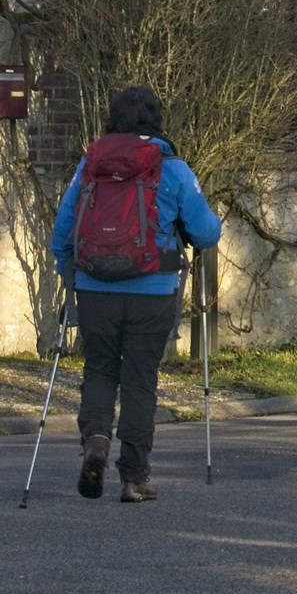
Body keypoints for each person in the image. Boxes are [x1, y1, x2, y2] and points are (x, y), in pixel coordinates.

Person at [50, 86, 219, 504]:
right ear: (155, 121)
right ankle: (133, 478)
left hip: (94, 289)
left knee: (100, 370)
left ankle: (95, 441)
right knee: (140, 380)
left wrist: (70, 272)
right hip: (153, 290)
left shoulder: (89, 165)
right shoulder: (173, 169)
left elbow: (63, 229)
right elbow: (206, 231)